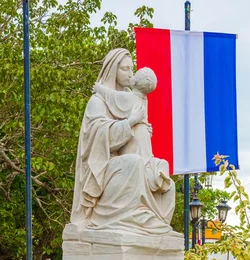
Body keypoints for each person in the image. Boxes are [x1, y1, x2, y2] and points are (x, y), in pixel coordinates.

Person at [70, 49, 179, 236]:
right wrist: (129, 123)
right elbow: (98, 139)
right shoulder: (98, 101)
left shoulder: (132, 98)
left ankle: (153, 225)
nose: (130, 74)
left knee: (165, 177)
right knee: (133, 163)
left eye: (132, 69)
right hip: (107, 165)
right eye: (125, 69)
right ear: (113, 69)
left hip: (136, 158)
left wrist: (142, 129)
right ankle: (128, 220)